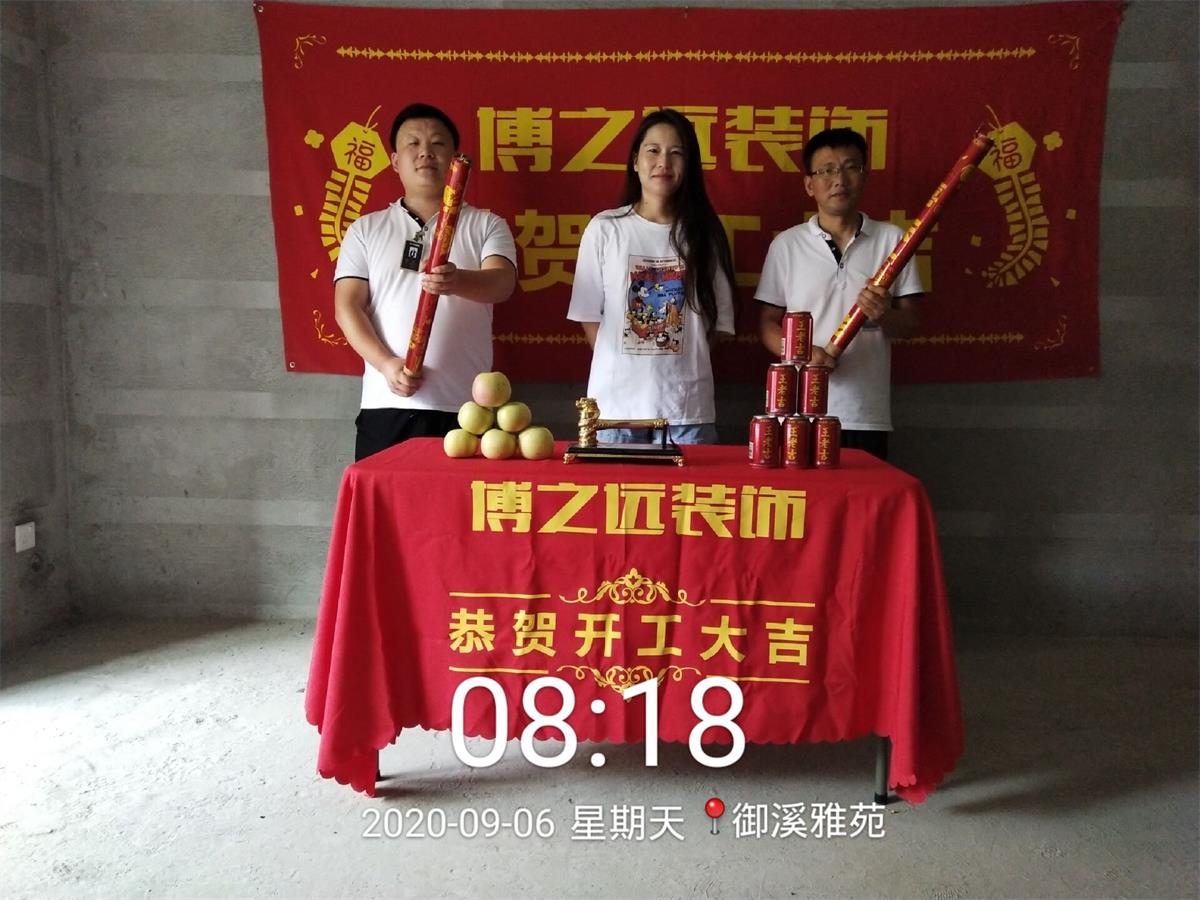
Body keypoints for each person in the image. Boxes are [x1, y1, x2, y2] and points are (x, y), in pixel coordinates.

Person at [334, 103, 517, 460]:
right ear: (394, 161)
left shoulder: (487, 224)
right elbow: (347, 307)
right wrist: (387, 364)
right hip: (386, 404)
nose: (425, 153)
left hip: (467, 409)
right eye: (413, 144)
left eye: (437, 144)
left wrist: (457, 281)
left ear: (454, 158)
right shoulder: (366, 229)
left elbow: (502, 283)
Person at [567, 109, 736, 445]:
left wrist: (677, 363)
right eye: (653, 151)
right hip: (615, 411)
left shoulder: (705, 234)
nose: (664, 162)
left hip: (686, 413)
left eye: (676, 153)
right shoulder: (605, 228)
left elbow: (717, 327)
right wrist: (628, 365)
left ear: (689, 165)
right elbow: (589, 317)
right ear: (635, 161)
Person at [756, 127, 923, 461]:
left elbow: (912, 323)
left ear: (865, 176)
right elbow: (767, 324)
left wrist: (883, 315)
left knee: (864, 495)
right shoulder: (786, 245)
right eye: (827, 170)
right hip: (799, 413)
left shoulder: (894, 241)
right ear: (809, 184)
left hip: (866, 412)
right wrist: (802, 354)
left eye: (850, 168)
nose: (839, 180)